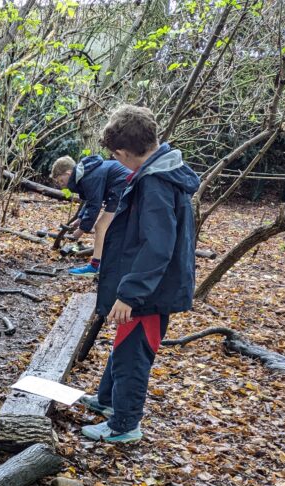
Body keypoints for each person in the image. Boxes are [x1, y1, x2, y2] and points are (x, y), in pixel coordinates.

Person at [76, 105, 200, 444]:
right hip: (145, 285)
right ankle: (106, 401)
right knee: (123, 344)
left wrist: (130, 293)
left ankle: (125, 424)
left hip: (149, 292)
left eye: (117, 156)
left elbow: (158, 247)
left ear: (123, 152)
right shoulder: (159, 171)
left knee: (133, 353)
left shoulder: (157, 183)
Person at [50, 154, 130, 275]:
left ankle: (95, 266)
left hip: (122, 188)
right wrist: (80, 219)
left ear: (69, 173)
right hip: (120, 189)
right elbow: (90, 199)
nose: (61, 185)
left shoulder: (90, 177)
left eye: (61, 180)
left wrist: (81, 230)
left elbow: (94, 205)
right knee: (109, 228)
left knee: (101, 227)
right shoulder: (86, 174)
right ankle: (106, 265)